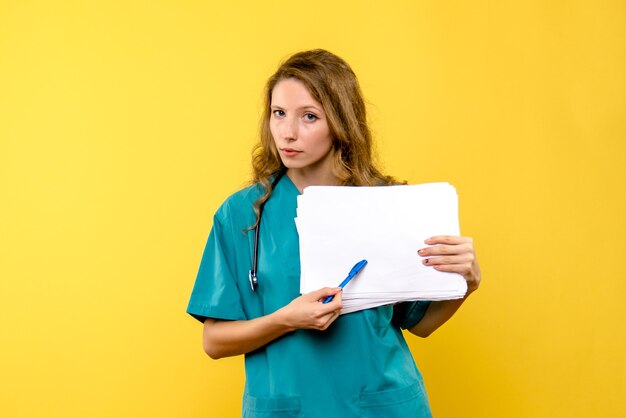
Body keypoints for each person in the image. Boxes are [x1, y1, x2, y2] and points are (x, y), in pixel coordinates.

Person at [187, 49, 481, 418]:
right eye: (279, 114)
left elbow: (420, 324)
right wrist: (287, 319)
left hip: (383, 406)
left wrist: (465, 284)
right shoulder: (242, 214)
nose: (287, 132)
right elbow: (214, 341)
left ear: (341, 122)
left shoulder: (388, 203)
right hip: (287, 408)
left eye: (309, 116)